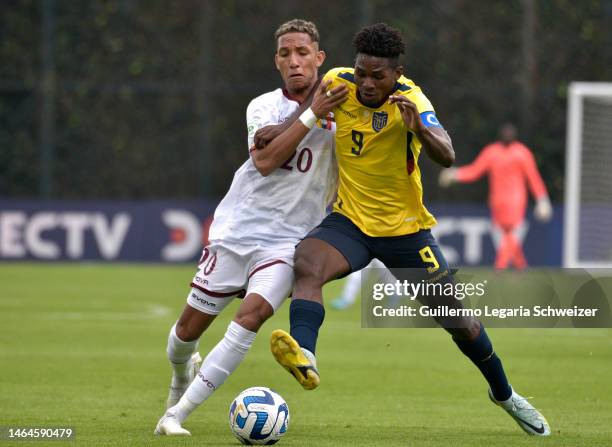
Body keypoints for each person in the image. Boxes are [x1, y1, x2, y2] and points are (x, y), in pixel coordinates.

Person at [267, 23, 550, 436]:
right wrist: (276, 131)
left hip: (405, 232)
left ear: (397, 73)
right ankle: (305, 355)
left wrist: (419, 128)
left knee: (459, 322)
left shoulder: (411, 99)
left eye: (377, 75)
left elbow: (447, 154)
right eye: (362, 71)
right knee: (307, 262)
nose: (366, 82)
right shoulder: (335, 82)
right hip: (350, 221)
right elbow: (302, 117)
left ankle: (505, 394)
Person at [154, 18, 348, 436]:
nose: (294, 61)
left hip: (288, 242)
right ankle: (180, 373)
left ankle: (176, 415)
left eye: (302, 52)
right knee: (185, 335)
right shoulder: (262, 106)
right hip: (237, 233)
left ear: (320, 58)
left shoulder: (345, 111)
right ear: (276, 62)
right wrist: (314, 110)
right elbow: (264, 161)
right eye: (285, 54)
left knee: (252, 317)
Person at [439, 123, 552, 269]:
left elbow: (533, 178)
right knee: (508, 236)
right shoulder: (492, 152)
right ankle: (521, 266)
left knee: (512, 232)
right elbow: (475, 171)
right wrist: (455, 174)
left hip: (516, 200)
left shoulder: (522, 153)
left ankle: (500, 266)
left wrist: (542, 199)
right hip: (497, 200)